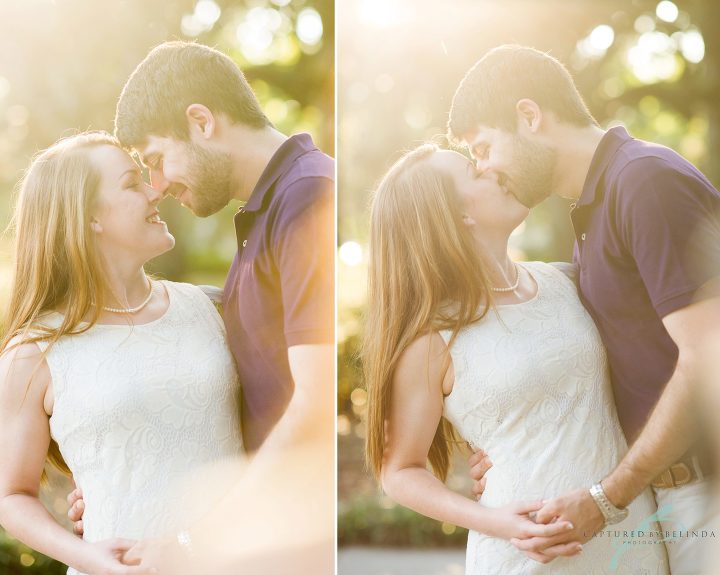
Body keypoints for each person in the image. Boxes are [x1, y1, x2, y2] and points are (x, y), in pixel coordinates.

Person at [448, 44, 720, 573]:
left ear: (528, 116)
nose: (484, 170)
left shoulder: (645, 182)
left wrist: (606, 498)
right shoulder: (595, 211)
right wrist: (509, 445)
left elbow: (708, 355)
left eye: (483, 148)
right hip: (666, 499)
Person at [67, 41, 335, 574]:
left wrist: (194, 541)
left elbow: (315, 402)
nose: (158, 186)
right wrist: (118, 475)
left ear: (201, 121)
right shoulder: (265, 213)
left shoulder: (309, 193)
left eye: (156, 160)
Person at [363, 143, 668, 573]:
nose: (493, 168)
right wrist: (495, 522)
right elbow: (400, 470)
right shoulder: (433, 339)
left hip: (629, 536)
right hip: (528, 553)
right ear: (458, 216)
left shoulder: (565, 282)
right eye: (474, 170)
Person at [0, 131, 244, 575]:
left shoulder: (213, 307)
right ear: (88, 217)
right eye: (132, 183)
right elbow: (13, 497)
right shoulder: (34, 353)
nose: (156, 190)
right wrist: (85, 555)